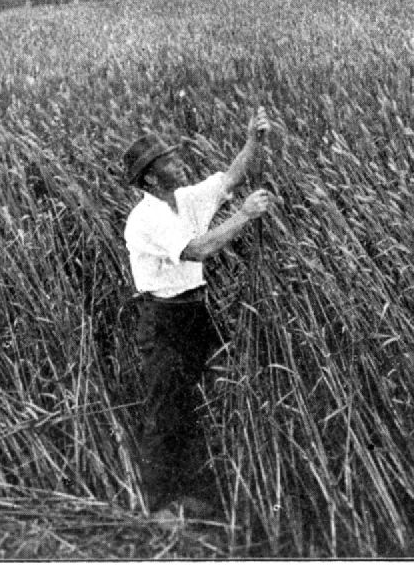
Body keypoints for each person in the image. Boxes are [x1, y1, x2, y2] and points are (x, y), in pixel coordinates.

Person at [122, 106, 276, 519]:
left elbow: (231, 178)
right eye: (169, 161)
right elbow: (198, 250)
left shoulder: (186, 199)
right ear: (152, 178)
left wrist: (254, 140)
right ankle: (158, 509)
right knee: (165, 412)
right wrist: (244, 215)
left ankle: (189, 496)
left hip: (196, 312)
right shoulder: (145, 219)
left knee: (198, 403)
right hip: (163, 320)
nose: (179, 161)